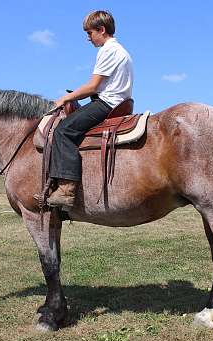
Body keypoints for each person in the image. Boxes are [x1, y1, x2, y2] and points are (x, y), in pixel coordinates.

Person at [47, 10, 133, 207]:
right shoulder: (121, 51)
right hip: (119, 102)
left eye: (89, 33)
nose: (88, 38)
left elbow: (93, 86)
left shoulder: (108, 50)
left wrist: (65, 98)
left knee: (63, 131)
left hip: (107, 103)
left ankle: (66, 189)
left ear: (101, 30)